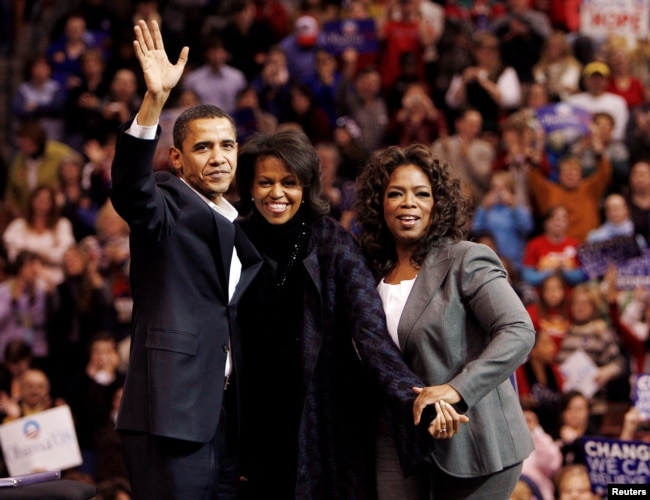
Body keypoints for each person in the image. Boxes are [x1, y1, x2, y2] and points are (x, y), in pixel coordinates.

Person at [234, 129, 466, 499]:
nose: (276, 194)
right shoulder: (234, 238)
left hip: (324, 416)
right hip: (255, 414)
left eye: (289, 183)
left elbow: (371, 337)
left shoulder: (333, 243)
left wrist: (420, 401)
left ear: (307, 186)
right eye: (265, 182)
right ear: (250, 186)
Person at [109, 20, 263, 499]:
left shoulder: (244, 225)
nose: (219, 157)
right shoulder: (165, 205)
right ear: (176, 159)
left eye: (227, 145)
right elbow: (131, 190)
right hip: (169, 415)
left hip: (226, 420)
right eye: (203, 147)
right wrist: (153, 102)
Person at [355, 143, 536, 499]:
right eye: (396, 193)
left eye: (422, 194)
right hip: (396, 434)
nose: (409, 202)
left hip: (475, 440)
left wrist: (457, 390)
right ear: (380, 203)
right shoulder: (367, 272)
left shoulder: (466, 259)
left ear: (438, 204)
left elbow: (518, 331)